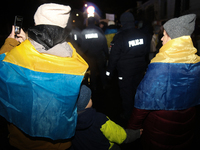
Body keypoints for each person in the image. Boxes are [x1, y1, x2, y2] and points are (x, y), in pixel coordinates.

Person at [0, 3, 88, 150]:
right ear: (64, 26)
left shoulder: (17, 56)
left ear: (36, 24)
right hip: (60, 144)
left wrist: (12, 42)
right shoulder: (75, 62)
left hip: (22, 143)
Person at [127, 14, 200, 150]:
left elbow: (143, 103)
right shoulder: (196, 62)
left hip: (160, 129)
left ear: (173, 39)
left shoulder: (160, 66)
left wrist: (132, 128)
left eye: (164, 35)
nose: (161, 38)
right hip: (187, 126)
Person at [106, 12, 150, 121]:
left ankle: (129, 117)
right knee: (138, 91)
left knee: (127, 94)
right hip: (139, 70)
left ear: (122, 23)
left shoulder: (120, 37)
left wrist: (109, 72)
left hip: (125, 72)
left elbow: (113, 57)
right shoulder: (142, 34)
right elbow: (146, 52)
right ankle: (140, 114)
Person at [70, 84, 143, 150]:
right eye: (90, 98)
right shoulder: (99, 119)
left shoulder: (68, 122)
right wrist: (135, 134)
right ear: (86, 103)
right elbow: (120, 135)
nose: (91, 99)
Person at [81, 17, 109, 90]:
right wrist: (107, 54)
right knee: (102, 70)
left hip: (90, 55)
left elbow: (82, 46)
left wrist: (82, 55)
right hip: (99, 54)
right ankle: (104, 85)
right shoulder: (99, 30)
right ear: (94, 22)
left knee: (93, 71)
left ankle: (94, 86)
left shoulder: (84, 31)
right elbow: (104, 43)